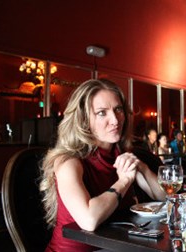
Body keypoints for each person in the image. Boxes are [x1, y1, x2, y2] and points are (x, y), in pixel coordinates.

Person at [39, 79, 166, 251]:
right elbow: (88, 220)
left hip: (115, 247)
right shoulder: (68, 162)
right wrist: (123, 182)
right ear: (83, 120)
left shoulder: (121, 155)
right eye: (101, 113)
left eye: (118, 109)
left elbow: (165, 196)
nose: (115, 120)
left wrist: (141, 167)